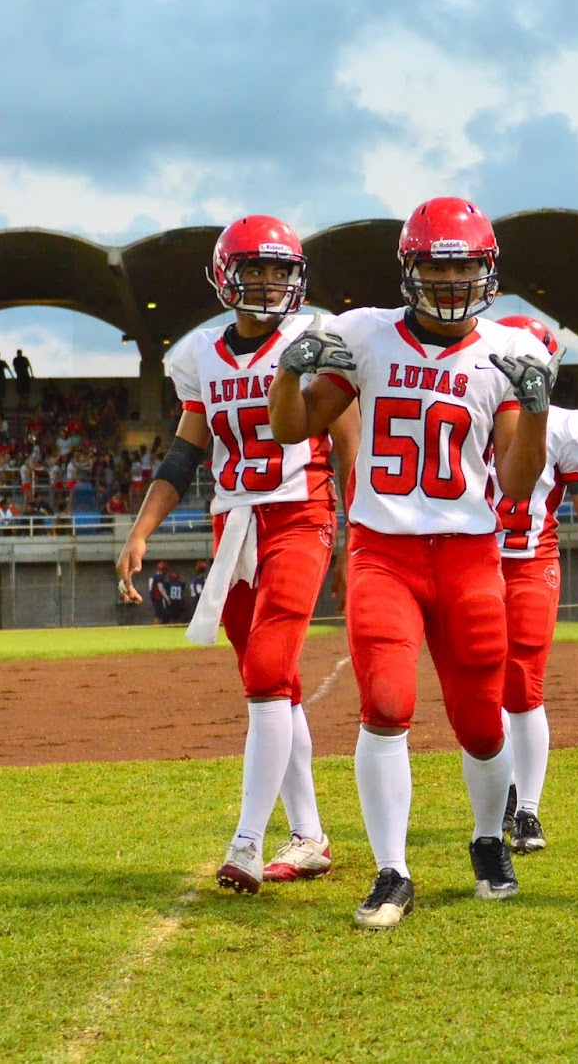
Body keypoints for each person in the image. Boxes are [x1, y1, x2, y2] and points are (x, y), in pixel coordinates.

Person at [267, 195, 556, 930]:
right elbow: (294, 426)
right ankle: (392, 868)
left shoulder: (505, 352)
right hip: (385, 551)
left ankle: (489, 839)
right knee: (387, 705)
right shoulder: (365, 336)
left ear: (487, 272)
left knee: (482, 725)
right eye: (438, 266)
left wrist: (539, 411)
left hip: (466, 554)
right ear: (411, 269)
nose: (453, 283)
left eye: (465, 269)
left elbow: (519, 484)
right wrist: (285, 373)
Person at [117, 214, 359, 896]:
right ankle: (308, 836)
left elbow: (349, 441)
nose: (269, 281)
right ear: (228, 276)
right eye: (256, 268)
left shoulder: (316, 337)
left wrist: (353, 534)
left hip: (300, 514)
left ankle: (248, 841)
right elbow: (187, 450)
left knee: (267, 669)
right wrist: (142, 531)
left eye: (281, 269)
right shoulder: (200, 355)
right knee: (273, 687)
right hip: (235, 526)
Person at [492, 315, 578, 854]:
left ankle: (527, 810)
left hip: (529, 562)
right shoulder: (465, 408)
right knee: (482, 688)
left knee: (522, 686)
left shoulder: (567, 427)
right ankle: (502, 793)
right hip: (473, 561)